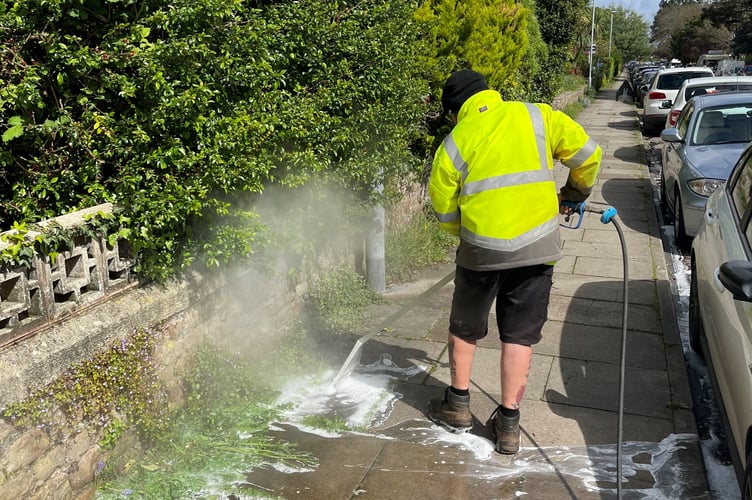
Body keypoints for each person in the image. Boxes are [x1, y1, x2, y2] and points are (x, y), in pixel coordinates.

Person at [426, 69, 602, 455]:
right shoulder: (538, 116)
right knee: (519, 334)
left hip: (479, 253)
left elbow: (442, 208)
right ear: (490, 92)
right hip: (536, 250)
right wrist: (573, 192)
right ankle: (508, 425)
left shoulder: (456, 140)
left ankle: (457, 405)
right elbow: (590, 154)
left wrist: (467, 235)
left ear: (456, 110)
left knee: (464, 326)